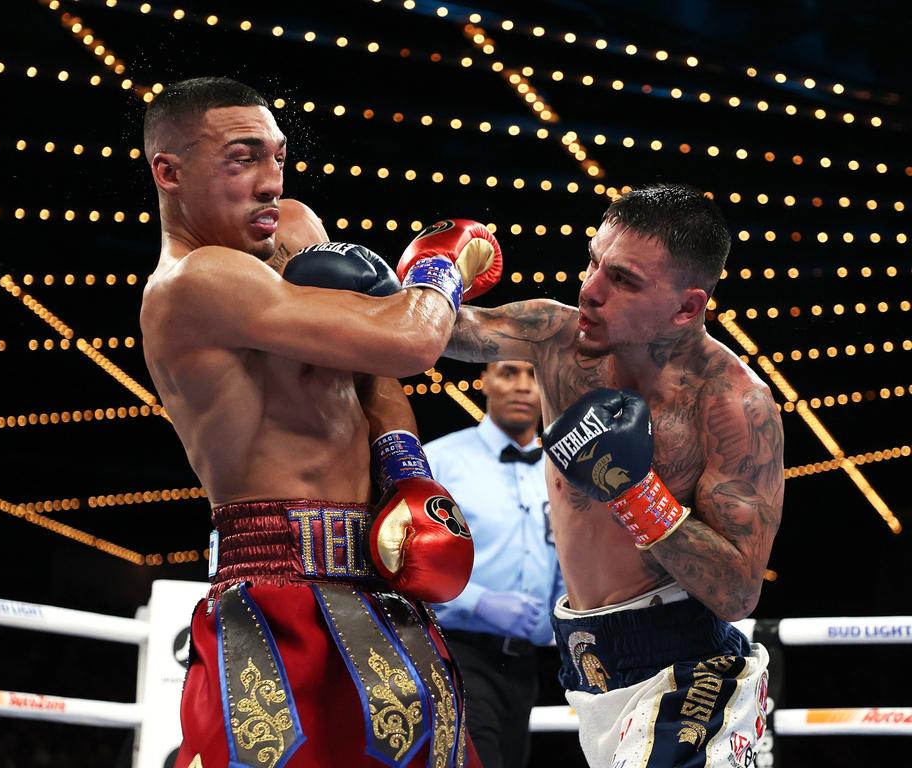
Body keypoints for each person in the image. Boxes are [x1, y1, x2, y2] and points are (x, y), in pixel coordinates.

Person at [138, 76, 503, 768]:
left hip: (381, 582)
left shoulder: (297, 234)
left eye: (277, 157)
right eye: (242, 159)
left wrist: (407, 477)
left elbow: (374, 372)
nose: (271, 182)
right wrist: (438, 266)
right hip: (274, 595)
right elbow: (412, 341)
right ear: (169, 172)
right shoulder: (192, 283)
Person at [442, 184, 783, 767]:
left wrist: (636, 491)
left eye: (623, 280)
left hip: (688, 671)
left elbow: (738, 592)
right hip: (587, 668)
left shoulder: (732, 404)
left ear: (686, 307)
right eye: (593, 261)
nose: (590, 291)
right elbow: (425, 332)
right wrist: (433, 272)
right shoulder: (556, 339)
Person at [423, 361, 563, 768]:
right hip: (455, 654)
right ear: (485, 380)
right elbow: (406, 561)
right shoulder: (439, 461)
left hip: (528, 665)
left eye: (533, 376)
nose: (522, 387)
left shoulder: (559, 472)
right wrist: (475, 601)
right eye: (508, 373)